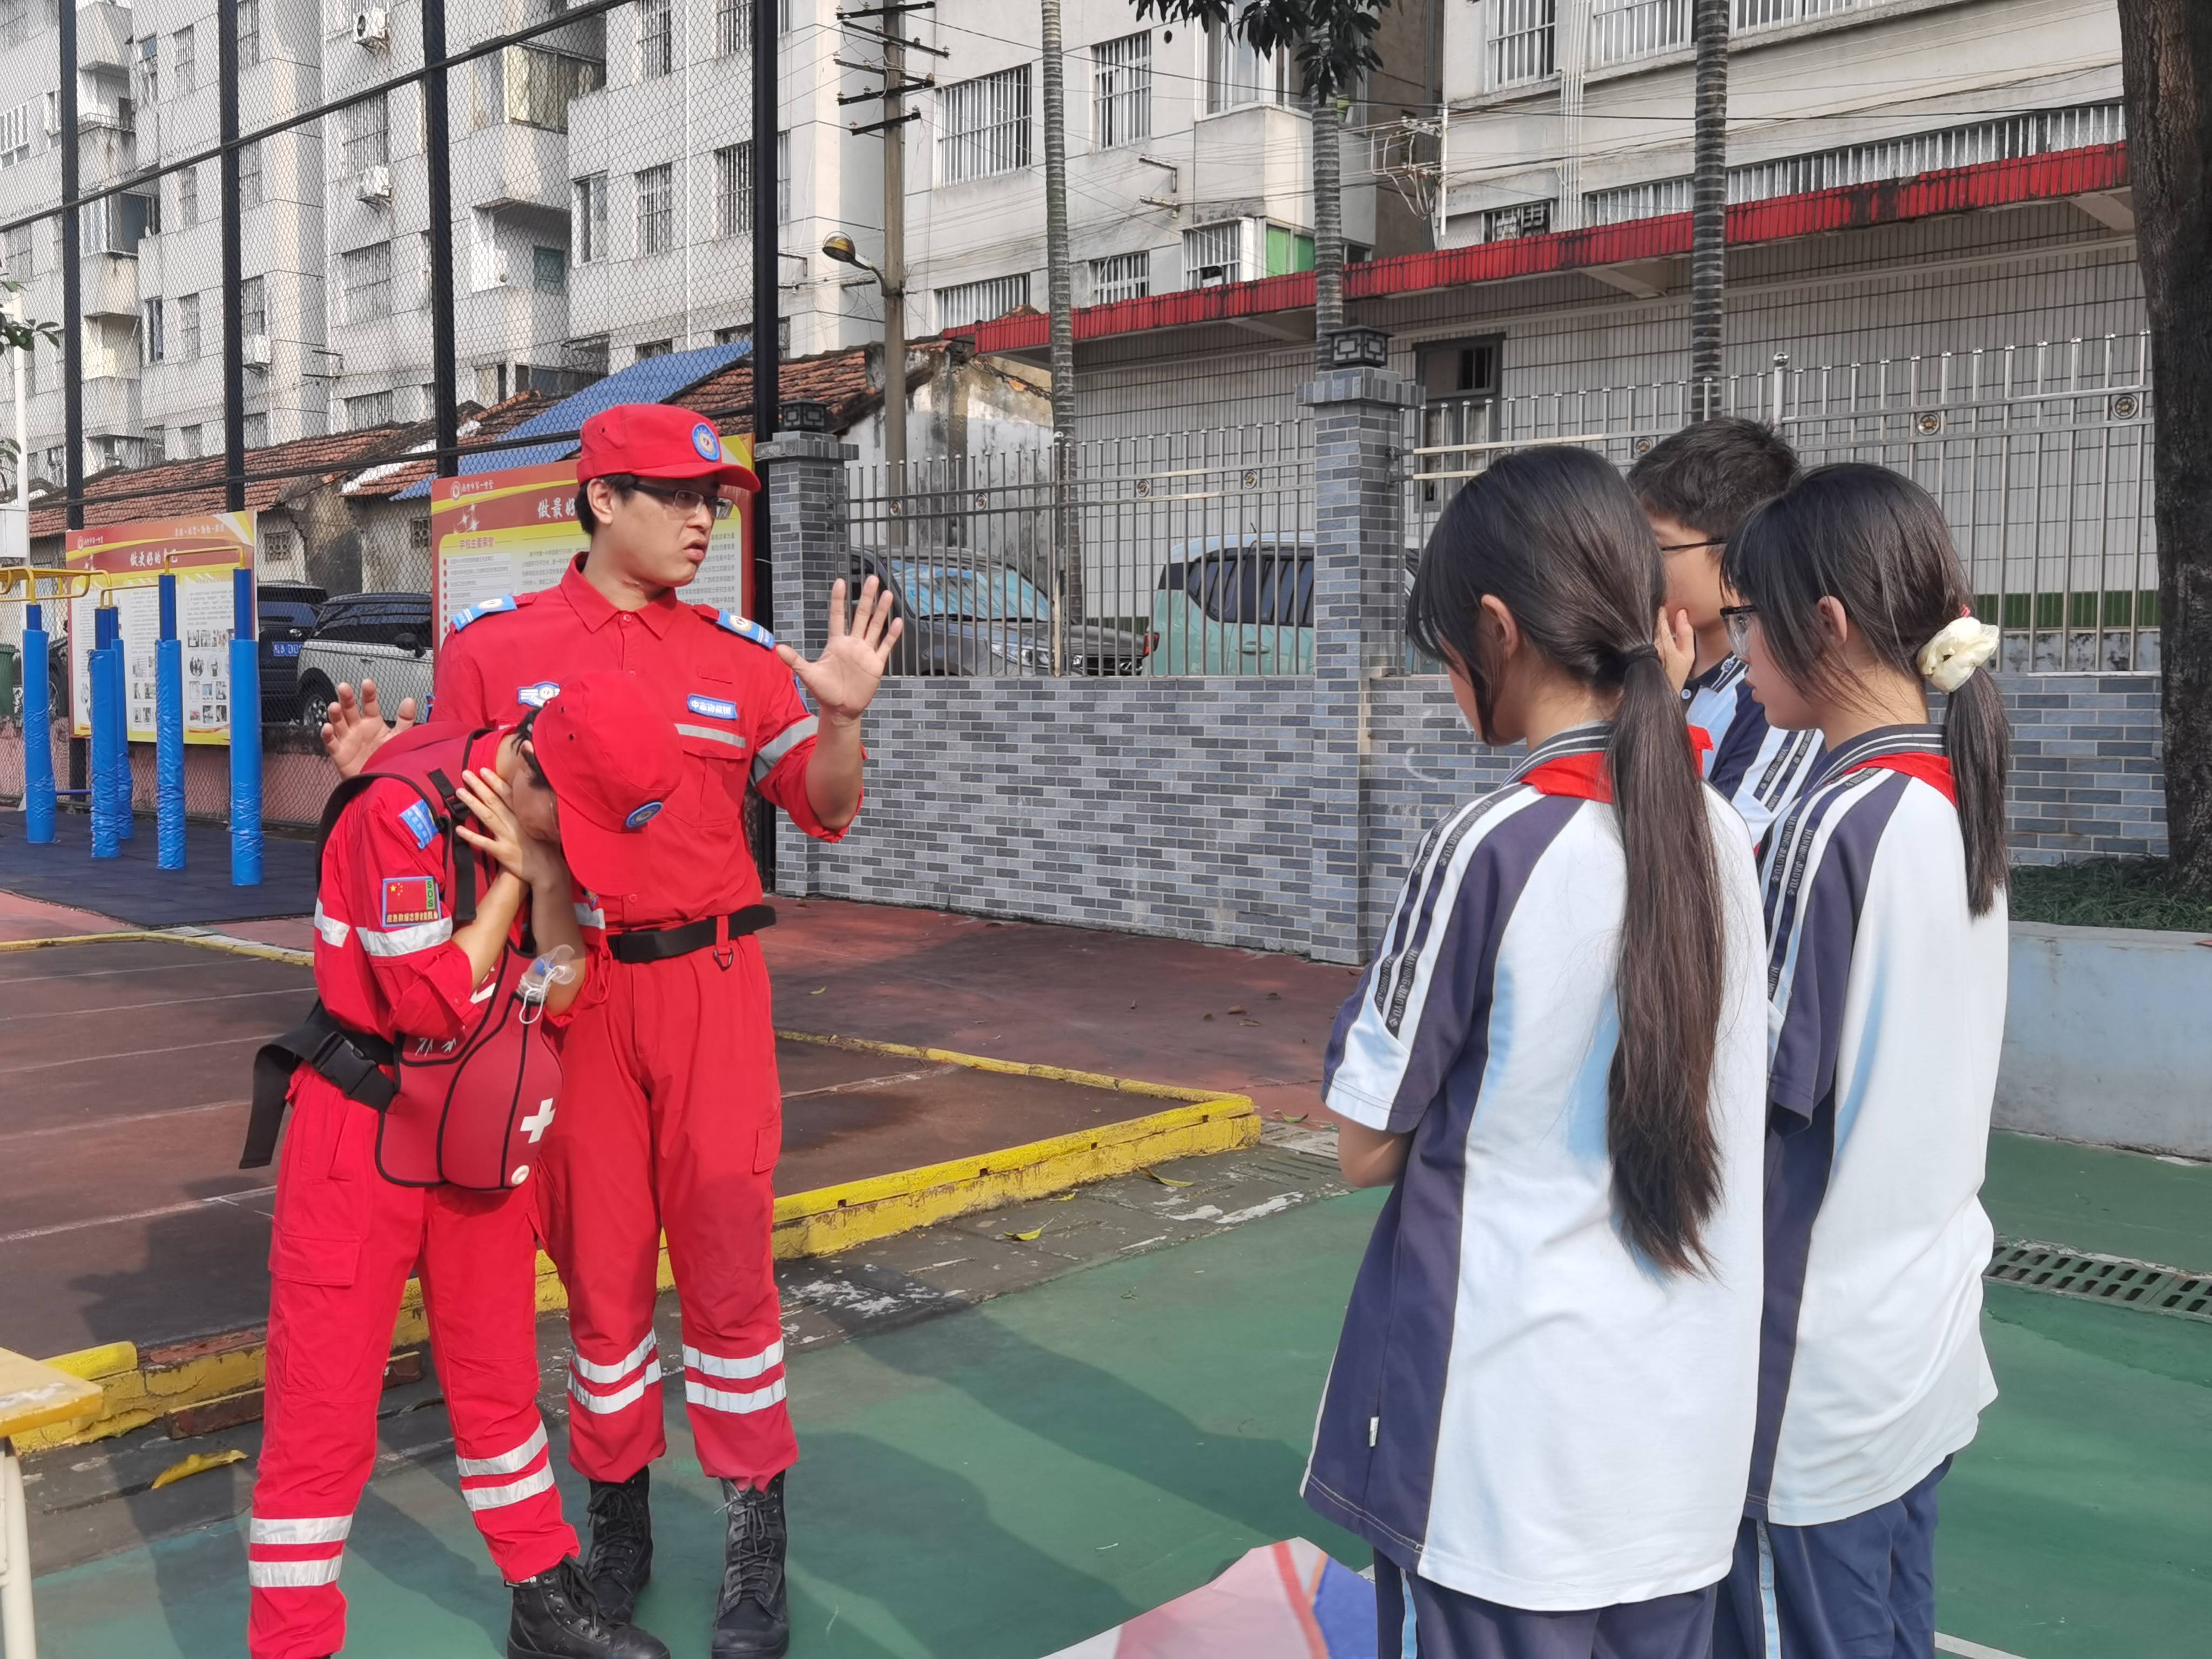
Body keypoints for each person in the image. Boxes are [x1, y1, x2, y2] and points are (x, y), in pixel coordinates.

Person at [323, 401, 901, 1658]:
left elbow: (823, 805)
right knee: (598, 1275)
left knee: (731, 1265)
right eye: (676, 494)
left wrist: (846, 716)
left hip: (712, 988)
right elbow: (438, 807)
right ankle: (620, 1516)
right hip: (568, 990)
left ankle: (757, 1537)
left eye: (718, 502)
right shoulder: (493, 651)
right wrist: (376, 774)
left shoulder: (746, 658)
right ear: (599, 498)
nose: (704, 519)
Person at [1304, 447, 1769, 1659]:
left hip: (1503, 1467)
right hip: (1679, 1455)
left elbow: (1363, 1144)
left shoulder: (1491, 845)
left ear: (1495, 633)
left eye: (1443, 651)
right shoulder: (1724, 834)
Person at [243, 671, 683, 1659]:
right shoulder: (399, 812)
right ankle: (293, 1643)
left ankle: (543, 1602)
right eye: (572, 828)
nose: (580, 851)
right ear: (531, 765)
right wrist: (521, 886)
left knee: (498, 1387)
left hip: (477, 1142)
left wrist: (547, 879)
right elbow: (426, 1003)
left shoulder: (536, 822)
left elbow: (565, 985)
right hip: (362, 1136)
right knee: (323, 1417)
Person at [1709, 463, 2010, 1659]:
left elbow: (1754, 1106)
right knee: (1890, 1626)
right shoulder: (1948, 799)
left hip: (1810, 1359)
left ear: (1821, 626)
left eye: (1748, 620)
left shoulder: (1827, 826)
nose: (1736, 651)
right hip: (1916, 1325)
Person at [1629, 416, 1821, 844]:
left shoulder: (1776, 700)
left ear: (1741, 552)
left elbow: (1723, 861)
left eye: (1657, 548)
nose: (1636, 566)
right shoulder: (1644, 663)